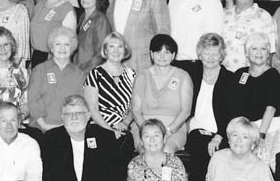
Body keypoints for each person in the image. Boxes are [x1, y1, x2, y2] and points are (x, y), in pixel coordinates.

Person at [172, 33, 236, 181]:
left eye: (215, 53)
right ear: (199, 54)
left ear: (222, 56)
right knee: (201, 148)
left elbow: (232, 112)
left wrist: (219, 137)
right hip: (196, 128)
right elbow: (166, 61)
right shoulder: (192, 73)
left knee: (220, 156)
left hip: (221, 132)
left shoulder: (230, 79)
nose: (211, 57)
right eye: (207, 52)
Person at [83, 32, 137, 181]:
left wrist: (124, 123)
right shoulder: (95, 74)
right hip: (99, 126)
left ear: (125, 50)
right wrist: (110, 129)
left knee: (120, 170)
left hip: (123, 128)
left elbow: (134, 107)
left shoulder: (132, 74)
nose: (116, 50)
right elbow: (92, 109)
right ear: (105, 50)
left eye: (120, 46)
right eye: (111, 46)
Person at [131, 34, 193, 153]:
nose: (162, 56)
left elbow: (186, 111)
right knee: (147, 151)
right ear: (151, 54)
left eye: (167, 52)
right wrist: (149, 132)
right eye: (158, 51)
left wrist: (168, 131)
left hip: (174, 128)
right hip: (143, 127)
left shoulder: (183, 76)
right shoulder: (142, 76)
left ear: (173, 55)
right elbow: (135, 110)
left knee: (166, 151)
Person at [228, 33, 280, 150]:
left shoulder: (272, 75)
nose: (259, 53)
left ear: (268, 53)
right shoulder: (240, 74)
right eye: (254, 48)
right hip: (241, 129)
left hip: (264, 129)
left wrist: (260, 136)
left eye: (263, 49)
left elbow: (271, 109)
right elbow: (231, 105)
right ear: (246, 53)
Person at [29, 26, 83, 133]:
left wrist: (67, 126)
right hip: (40, 128)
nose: (62, 48)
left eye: (66, 44)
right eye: (58, 44)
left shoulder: (80, 74)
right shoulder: (39, 70)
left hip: (69, 128)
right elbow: (33, 100)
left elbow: (80, 104)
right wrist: (44, 125)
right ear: (52, 48)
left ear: (72, 48)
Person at [220, 0, 277, 72]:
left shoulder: (264, 18)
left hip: (247, 77)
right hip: (222, 74)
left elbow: (269, 54)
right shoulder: (224, 14)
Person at [41, 95, 103, 181]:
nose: (74, 118)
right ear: (62, 117)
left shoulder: (103, 138)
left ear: (88, 116)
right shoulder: (50, 139)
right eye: (68, 114)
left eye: (79, 113)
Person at [30, 0, 77, 67]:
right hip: (36, 59)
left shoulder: (67, 10)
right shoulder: (38, 6)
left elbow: (69, 45)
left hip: (55, 61)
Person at [206, 117, 274, 181]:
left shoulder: (261, 169)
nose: (239, 140)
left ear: (253, 144)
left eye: (245, 137)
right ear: (229, 139)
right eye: (235, 135)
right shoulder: (217, 158)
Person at [74, 0, 112, 72]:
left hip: (90, 72)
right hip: (77, 69)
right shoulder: (82, 16)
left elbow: (101, 54)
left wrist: (82, 70)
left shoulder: (100, 19)